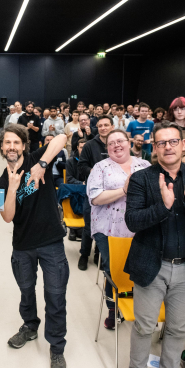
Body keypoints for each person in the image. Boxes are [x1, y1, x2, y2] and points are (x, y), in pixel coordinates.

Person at [124, 121, 185, 368]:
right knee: (145, 326)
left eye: (173, 142)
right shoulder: (141, 179)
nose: (168, 147)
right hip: (151, 266)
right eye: (161, 143)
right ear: (155, 148)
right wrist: (163, 207)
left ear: (182, 144)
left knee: (178, 328)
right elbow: (132, 221)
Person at [0, 126, 69, 368]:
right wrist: (13, 188)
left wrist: (43, 165)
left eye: (16, 142)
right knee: (26, 292)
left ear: (24, 145)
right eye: (7, 143)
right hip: (23, 246)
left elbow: (61, 138)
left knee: (55, 297)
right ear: (2, 148)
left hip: (51, 243)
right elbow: (7, 217)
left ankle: (56, 347)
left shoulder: (36, 158)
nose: (12, 147)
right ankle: (30, 326)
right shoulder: (2, 179)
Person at [86, 130, 150, 329]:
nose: (116, 145)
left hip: (140, 227)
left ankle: (141, 307)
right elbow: (95, 198)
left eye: (120, 141)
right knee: (113, 270)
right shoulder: (100, 167)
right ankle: (113, 309)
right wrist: (124, 190)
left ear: (129, 142)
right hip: (108, 229)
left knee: (141, 268)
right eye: (111, 143)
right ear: (107, 148)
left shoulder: (145, 165)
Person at [78, 115, 113, 270]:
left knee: (106, 227)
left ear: (112, 126)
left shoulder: (117, 144)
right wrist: (94, 170)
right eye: (100, 125)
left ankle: (99, 254)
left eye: (106, 125)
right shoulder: (89, 145)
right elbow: (81, 167)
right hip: (93, 193)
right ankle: (84, 255)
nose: (103, 128)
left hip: (112, 194)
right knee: (89, 226)